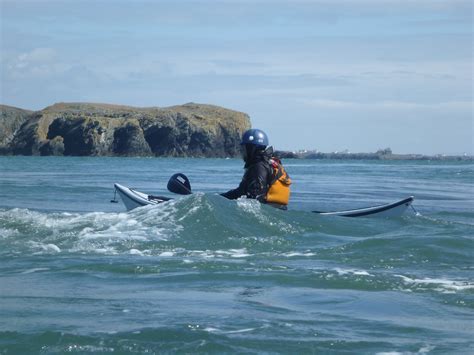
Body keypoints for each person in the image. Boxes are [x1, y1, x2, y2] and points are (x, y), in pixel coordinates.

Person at [221, 128, 291, 209]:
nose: (242, 152)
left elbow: (256, 197)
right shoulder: (269, 163)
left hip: (269, 210)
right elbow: (240, 192)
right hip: (278, 209)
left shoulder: (259, 167)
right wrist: (221, 198)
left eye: (244, 148)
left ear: (251, 149)